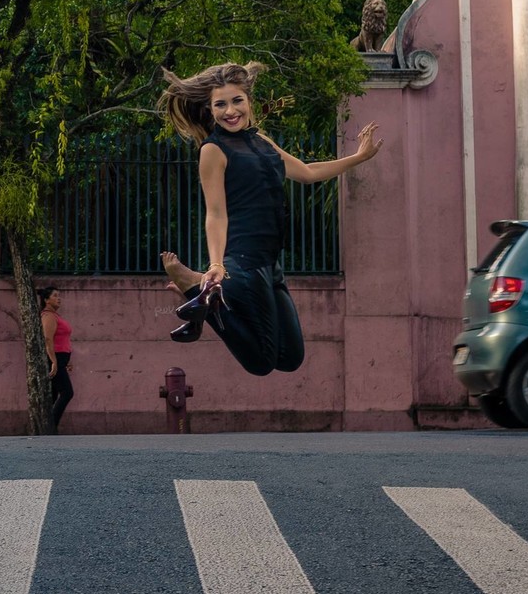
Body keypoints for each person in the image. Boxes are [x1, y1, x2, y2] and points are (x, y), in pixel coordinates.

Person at [156, 61, 382, 375]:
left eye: (236, 101)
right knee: (260, 363)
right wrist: (216, 263)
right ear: (210, 110)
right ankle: (197, 289)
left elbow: (305, 172)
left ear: (249, 101)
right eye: (220, 105)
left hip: (270, 265)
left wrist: (358, 157)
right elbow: (216, 213)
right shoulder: (213, 150)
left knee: (290, 358)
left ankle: (205, 297)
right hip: (243, 263)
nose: (230, 111)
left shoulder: (261, 141)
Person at [38, 286, 75, 428]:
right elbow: (48, 339)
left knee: (53, 396)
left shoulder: (55, 316)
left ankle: (45, 427)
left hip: (61, 359)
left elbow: (63, 340)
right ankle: (50, 428)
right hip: (55, 359)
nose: (59, 298)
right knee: (67, 392)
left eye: (59, 295)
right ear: (47, 300)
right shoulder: (48, 316)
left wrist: (67, 360)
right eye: (55, 295)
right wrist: (54, 361)